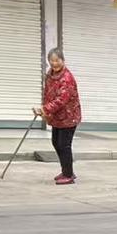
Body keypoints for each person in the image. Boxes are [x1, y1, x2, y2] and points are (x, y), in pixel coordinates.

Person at [34, 48, 82, 185]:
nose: (54, 63)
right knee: (56, 143)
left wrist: (45, 109)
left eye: (57, 60)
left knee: (64, 145)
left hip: (69, 116)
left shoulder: (67, 78)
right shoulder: (50, 75)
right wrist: (44, 110)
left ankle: (68, 175)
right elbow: (47, 94)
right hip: (57, 116)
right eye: (52, 60)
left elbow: (62, 99)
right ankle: (66, 170)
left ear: (63, 60)